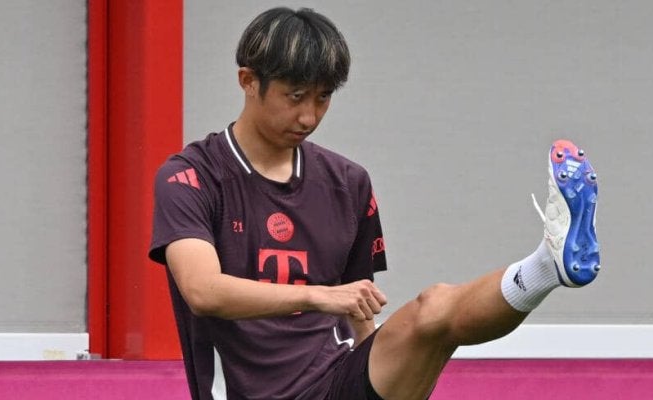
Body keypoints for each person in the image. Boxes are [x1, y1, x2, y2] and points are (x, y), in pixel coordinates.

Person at [149, 7, 600, 400]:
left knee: (433, 310)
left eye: (323, 98)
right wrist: (318, 295)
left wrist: (390, 368)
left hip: (337, 379)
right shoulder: (190, 177)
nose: (309, 116)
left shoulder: (348, 183)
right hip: (251, 393)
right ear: (248, 81)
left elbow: (359, 308)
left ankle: (546, 266)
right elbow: (203, 291)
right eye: (295, 96)